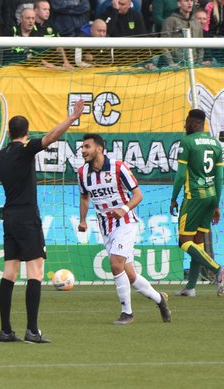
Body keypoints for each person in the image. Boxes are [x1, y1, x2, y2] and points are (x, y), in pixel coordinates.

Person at [0, 98, 85, 344]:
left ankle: (6, 330)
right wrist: (72, 118)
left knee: (9, 272)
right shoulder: (27, 149)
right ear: (26, 133)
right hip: (28, 217)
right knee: (35, 272)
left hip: (8, 219)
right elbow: (50, 137)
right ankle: (32, 330)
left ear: (9, 133)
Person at [77, 133, 172, 325]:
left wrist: (124, 208)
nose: (83, 150)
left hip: (126, 222)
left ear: (99, 148)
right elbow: (85, 197)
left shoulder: (118, 167)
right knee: (129, 274)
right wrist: (83, 220)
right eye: (82, 147)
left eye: (87, 146)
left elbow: (138, 194)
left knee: (115, 263)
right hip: (105, 226)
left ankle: (127, 313)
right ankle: (160, 300)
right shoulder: (82, 173)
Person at [170, 109, 224, 297]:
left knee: (183, 241)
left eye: (187, 122)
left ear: (194, 123)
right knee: (197, 242)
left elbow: (180, 175)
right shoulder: (216, 144)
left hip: (194, 197)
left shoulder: (187, 142)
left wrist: (173, 198)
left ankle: (217, 268)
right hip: (211, 196)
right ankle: (190, 287)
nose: (185, 125)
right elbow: (219, 178)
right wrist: (217, 204)